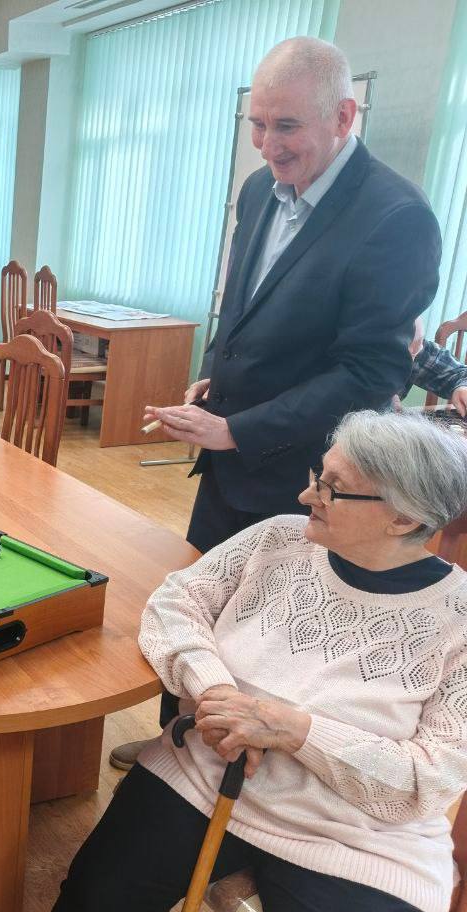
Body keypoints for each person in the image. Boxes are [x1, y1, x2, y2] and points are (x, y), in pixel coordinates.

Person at [117, 35, 442, 771]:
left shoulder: (397, 217)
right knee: (202, 602)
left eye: (286, 126)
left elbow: (371, 373)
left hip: (306, 477)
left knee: (266, 631)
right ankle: (174, 748)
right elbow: (238, 305)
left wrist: (239, 428)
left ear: (344, 117)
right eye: (257, 125)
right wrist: (213, 375)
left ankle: (242, 774)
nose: (268, 145)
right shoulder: (259, 189)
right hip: (227, 458)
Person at [38, 410, 467, 912]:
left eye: (332, 489)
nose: (307, 494)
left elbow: (429, 777)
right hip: (202, 776)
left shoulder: (457, 619)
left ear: (404, 519)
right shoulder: (278, 539)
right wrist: (216, 693)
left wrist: (293, 730)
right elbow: (176, 603)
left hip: (353, 835)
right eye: (318, 475)